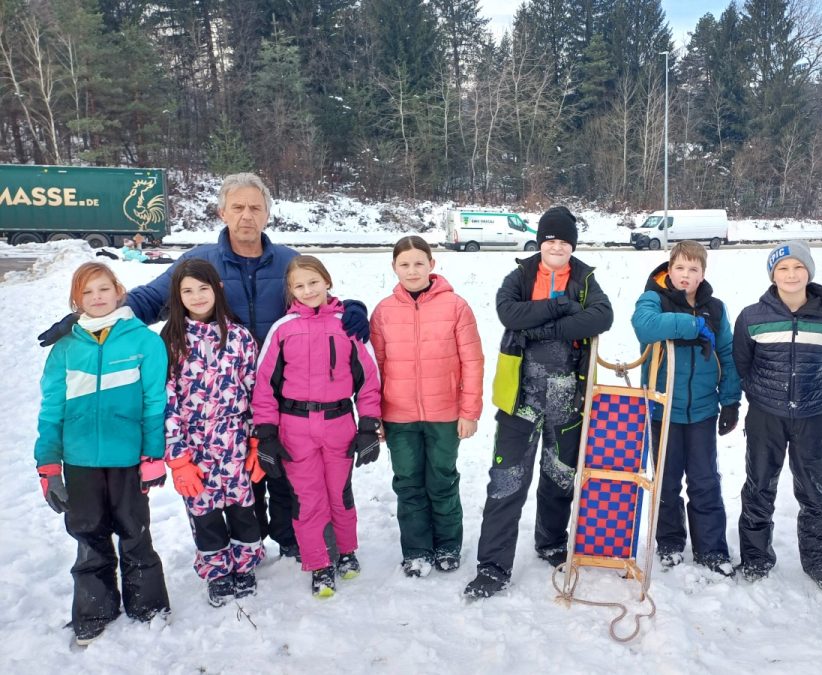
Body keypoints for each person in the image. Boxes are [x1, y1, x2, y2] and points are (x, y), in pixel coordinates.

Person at [37, 173, 371, 561]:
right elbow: (148, 300)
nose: (247, 215)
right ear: (222, 212)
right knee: (242, 478)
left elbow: (317, 297)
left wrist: (353, 308)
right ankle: (248, 542)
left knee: (285, 473)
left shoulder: (287, 260)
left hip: (283, 393)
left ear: (267, 214)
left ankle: (294, 539)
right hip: (222, 397)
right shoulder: (199, 260)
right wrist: (91, 319)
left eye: (255, 208)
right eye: (238, 207)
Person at [464, 205, 614, 599]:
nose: (557, 247)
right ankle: (493, 566)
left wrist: (546, 327)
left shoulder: (584, 279)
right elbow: (507, 312)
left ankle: (550, 542)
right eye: (551, 240)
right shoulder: (522, 275)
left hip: (567, 399)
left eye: (565, 241)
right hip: (519, 400)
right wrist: (554, 306)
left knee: (559, 478)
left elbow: (601, 317)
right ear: (540, 242)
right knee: (506, 482)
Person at [33, 262, 170, 646]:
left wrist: (152, 455)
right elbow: (50, 410)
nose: (97, 297)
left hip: (128, 460)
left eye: (103, 289)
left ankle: (148, 606)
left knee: (134, 531)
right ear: (77, 299)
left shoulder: (144, 341)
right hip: (79, 463)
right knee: (88, 534)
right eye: (88, 291)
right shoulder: (65, 348)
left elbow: (154, 402)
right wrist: (48, 466)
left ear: (118, 290)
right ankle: (95, 609)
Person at [251, 255, 382, 597]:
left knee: (339, 493)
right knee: (307, 499)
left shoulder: (348, 325)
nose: (308, 290)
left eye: (313, 282)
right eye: (299, 285)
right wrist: (265, 433)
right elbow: (264, 384)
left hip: (339, 422)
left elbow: (369, 379)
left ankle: (346, 551)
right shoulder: (282, 330)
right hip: (294, 427)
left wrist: (368, 424)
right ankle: (319, 564)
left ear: (327, 281)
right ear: (291, 291)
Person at [733, 241, 822, 591]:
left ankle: (820, 563)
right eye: (783, 268)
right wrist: (762, 395)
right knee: (759, 487)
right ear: (773, 275)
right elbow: (743, 362)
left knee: (813, 491)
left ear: (809, 272)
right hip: (766, 415)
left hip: (814, 416)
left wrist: (813, 392)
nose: (791, 274)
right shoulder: (753, 316)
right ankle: (755, 558)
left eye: (798, 267)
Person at [370, 236, 484, 577]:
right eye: (404, 264)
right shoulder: (384, 312)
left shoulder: (456, 307)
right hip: (398, 416)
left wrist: (469, 412)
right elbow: (374, 366)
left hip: (444, 415)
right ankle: (417, 550)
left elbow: (473, 362)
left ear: (432, 265)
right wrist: (374, 417)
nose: (412, 270)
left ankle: (448, 544)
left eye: (419, 263)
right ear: (394, 268)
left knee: (442, 480)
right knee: (408, 483)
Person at [630, 240, 742, 575]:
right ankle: (670, 543)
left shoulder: (716, 308)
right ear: (670, 268)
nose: (685, 275)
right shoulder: (654, 298)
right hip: (662, 410)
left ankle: (711, 549)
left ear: (702, 273)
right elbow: (645, 326)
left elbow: (728, 355)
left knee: (705, 480)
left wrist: (731, 400)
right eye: (680, 267)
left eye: (693, 269)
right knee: (665, 481)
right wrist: (691, 325)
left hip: (703, 412)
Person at [161, 259, 266, 607]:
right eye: (187, 290)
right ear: (178, 296)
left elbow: (254, 392)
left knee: (242, 506)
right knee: (203, 511)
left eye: (203, 288)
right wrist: (177, 458)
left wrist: (256, 441)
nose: (197, 296)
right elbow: (167, 401)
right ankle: (217, 570)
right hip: (194, 445)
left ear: (217, 290)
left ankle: (245, 563)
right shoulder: (172, 340)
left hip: (234, 438)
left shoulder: (239, 337)